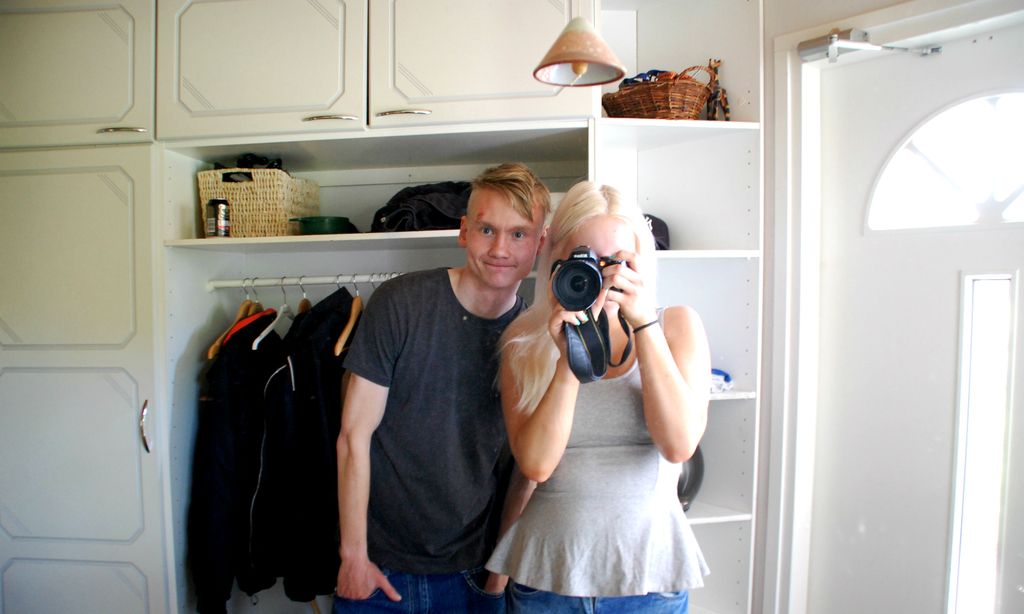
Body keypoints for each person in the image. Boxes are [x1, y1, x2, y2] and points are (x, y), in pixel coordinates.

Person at [333, 163, 550, 613]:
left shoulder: (534, 338)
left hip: (475, 573)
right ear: (464, 232)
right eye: (487, 230)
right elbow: (354, 436)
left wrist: (497, 579)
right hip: (378, 570)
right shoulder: (401, 303)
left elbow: (527, 472)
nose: (500, 249)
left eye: (518, 234)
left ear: (540, 244)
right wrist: (352, 556)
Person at [486, 181, 712, 613]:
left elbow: (678, 445)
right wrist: (569, 359)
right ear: (556, 260)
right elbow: (535, 466)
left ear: (640, 262)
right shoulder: (525, 340)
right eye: (586, 259)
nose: (606, 277)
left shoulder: (677, 326)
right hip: (548, 578)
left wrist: (643, 325)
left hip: (650, 578)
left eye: (619, 261)